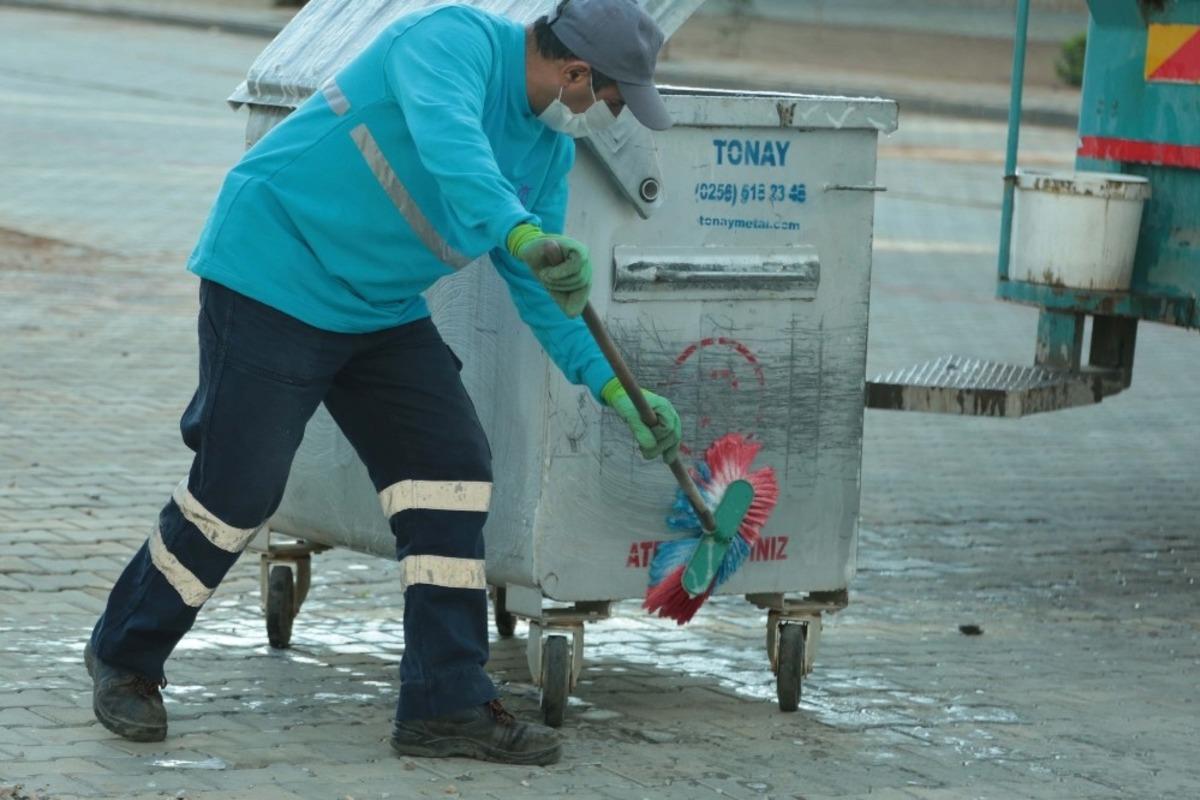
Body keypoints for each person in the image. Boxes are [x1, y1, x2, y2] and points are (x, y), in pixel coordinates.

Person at [83, 0, 682, 767]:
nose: (609, 112)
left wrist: (615, 390)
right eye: (611, 95)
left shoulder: (546, 154)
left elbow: (546, 294)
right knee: (239, 489)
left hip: (376, 308)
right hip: (274, 271)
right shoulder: (450, 41)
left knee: (451, 473)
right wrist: (521, 232)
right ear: (575, 72)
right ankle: (126, 656)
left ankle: (446, 702)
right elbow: (454, 151)